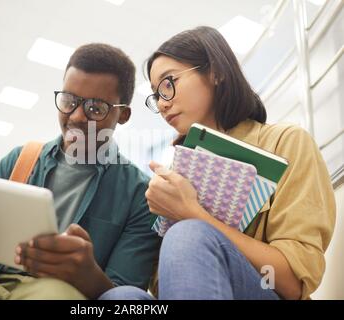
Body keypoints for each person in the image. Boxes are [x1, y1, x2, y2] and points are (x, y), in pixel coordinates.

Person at [0, 43, 160, 300]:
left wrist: (88, 275)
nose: (77, 116)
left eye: (95, 108)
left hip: (56, 293)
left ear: (123, 115)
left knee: (54, 294)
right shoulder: (20, 160)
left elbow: (123, 297)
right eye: (69, 100)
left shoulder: (141, 195)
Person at [99, 26, 336, 300]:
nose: (162, 104)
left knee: (189, 235)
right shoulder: (175, 176)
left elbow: (293, 283)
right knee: (122, 298)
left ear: (216, 73)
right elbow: (168, 286)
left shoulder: (287, 143)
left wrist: (194, 214)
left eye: (168, 84)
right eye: (156, 95)